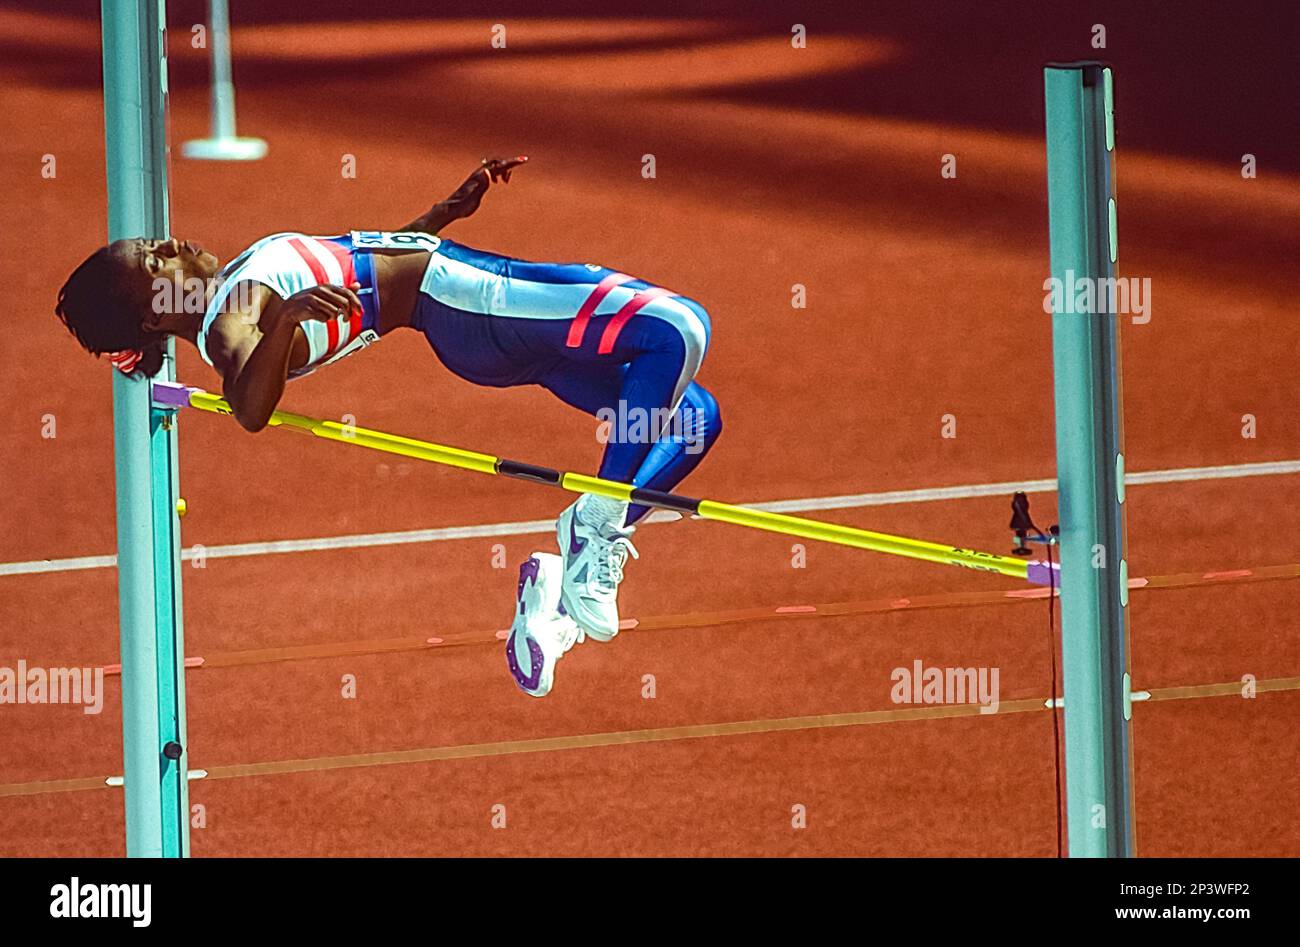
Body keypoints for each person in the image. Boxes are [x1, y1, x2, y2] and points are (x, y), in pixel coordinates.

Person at [55, 157, 721, 697]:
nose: (170, 245)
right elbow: (248, 405)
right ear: (150, 317)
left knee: (692, 418)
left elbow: (366, 269)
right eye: (152, 262)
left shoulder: (238, 287)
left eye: (154, 243)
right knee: (677, 327)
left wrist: (437, 216)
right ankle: (598, 522)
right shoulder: (230, 321)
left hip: (461, 305)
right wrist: (286, 317)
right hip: (471, 303)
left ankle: (559, 591)